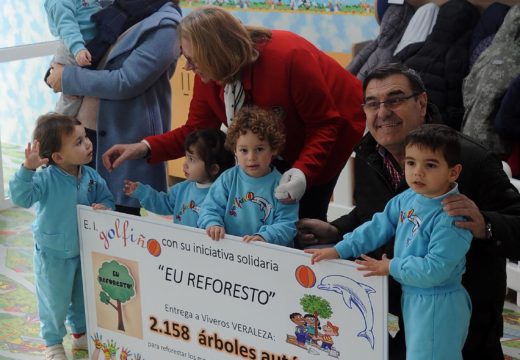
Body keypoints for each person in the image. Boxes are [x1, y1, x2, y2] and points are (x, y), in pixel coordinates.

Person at [297, 63, 520, 360]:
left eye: (395, 99)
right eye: (373, 103)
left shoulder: (470, 159)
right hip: (401, 310)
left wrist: (485, 225)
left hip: (464, 320)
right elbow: (375, 215)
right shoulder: (370, 153)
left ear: (422, 103)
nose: (383, 112)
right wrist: (337, 230)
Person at [100, 5, 366, 222]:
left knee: (303, 212)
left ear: (216, 52)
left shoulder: (289, 57)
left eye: (192, 59)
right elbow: (195, 129)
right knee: (262, 210)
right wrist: (143, 148)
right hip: (271, 141)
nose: (188, 67)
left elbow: (324, 125)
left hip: (335, 123)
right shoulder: (210, 74)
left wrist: (303, 172)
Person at [307, 124, 472, 359]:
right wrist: (339, 250)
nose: (418, 172)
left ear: (453, 172)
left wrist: (391, 266)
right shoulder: (409, 198)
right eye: (411, 163)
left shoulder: (452, 215)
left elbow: (436, 269)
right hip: (414, 295)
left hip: (438, 302)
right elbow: (377, 227)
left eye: (431, 165)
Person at [46, 0, 182, 216]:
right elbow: (83, 45)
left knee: (118, 223)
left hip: (123, 137)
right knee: (77, 213)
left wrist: (68, 77)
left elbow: (125, 81)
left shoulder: (167, 27)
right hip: (84, 131)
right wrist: (58, 71)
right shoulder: (114, 8)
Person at [8, 113, 114, 360]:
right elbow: (21, 198)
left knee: (81, 298)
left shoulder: (90, 177)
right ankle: (53, 342)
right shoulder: (45, 178)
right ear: (57, 157)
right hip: (52, 255)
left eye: (85, 137)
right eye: (78, 142)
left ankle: (80, 334)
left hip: (82, 251)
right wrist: (26, 170)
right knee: (54, 302)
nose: (88, 144)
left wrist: (105, 208)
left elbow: (107, 198)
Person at [198, 106, 298, 246]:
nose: (251, 157)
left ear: (273, 149)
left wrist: (265, 237)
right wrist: (212, 223)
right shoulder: (227, 179)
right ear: (235, 150)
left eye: (259, 149)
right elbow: (209, 208)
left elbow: (287, 224)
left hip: (269, 257)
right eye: (244, 150)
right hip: (230, 253)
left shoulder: (283, 185)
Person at [123, 129, 234, 226]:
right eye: (186, 158)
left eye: (192, 159)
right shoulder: (182, 188)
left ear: (213, 169)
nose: (185, 164)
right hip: (180, 245)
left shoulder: (223, 194)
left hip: (206, 249)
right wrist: (142, 192)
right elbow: (164, 203)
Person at [44, 0, 102, 116]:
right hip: (73, 49)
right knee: (71, 97)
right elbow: (66, 25)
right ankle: (59, 127)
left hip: (83, 46)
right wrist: (78, 48)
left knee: (75, 94)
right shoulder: (58, 2)